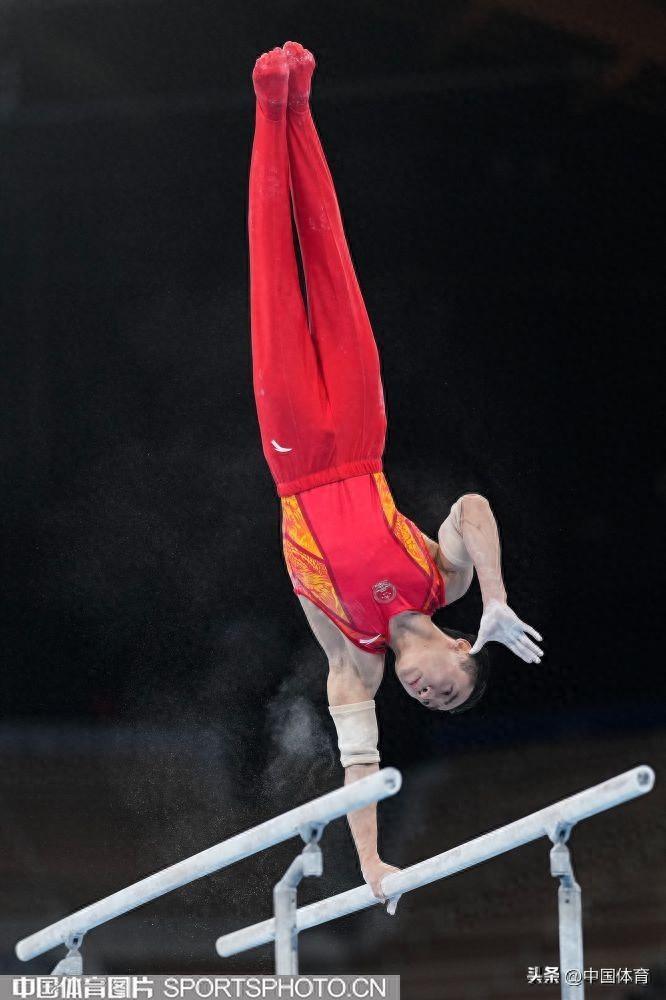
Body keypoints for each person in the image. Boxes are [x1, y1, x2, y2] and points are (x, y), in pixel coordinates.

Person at [248, 42, 543, 905]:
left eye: (433, 706)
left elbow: (360, 764)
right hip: (360, 437)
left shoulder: (356, 659)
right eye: (449, 692)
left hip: (296, 461)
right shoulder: (446, 581)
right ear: (460, 648)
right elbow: (473, 505)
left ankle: (268, 107)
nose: (430, 695)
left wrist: (373, 863)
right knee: (329, 257)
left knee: (274, 270)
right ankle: (303, 105)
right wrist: (494, 597)